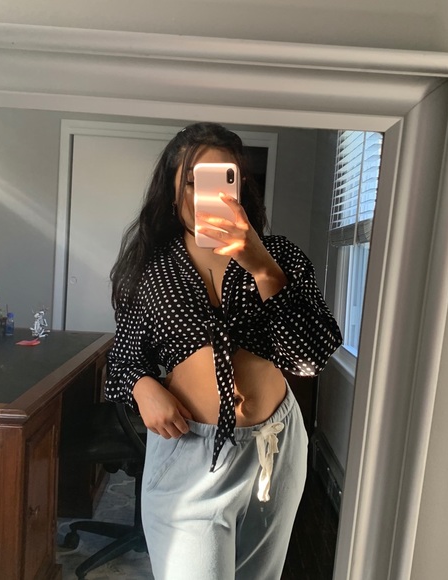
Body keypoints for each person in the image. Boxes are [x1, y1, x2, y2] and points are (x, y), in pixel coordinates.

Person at [104, 122, 342, 580]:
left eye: (222, 179)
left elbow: (311, 357)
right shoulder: (151, 271)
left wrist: (263, 268)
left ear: (239, 187)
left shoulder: (280, 256)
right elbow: (124, 358)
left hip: (275, 450)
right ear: (173, 192)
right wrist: (143, 386)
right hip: (189, 453)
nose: (207, 195)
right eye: (194, 181)